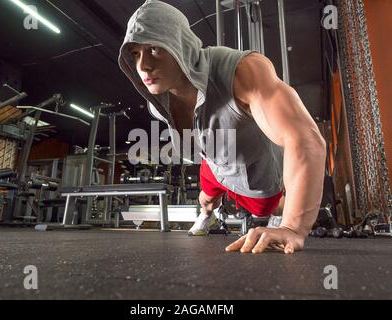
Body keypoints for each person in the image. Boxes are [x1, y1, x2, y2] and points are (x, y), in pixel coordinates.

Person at [118, 0, 326, 254]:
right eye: (136, 54)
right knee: (205, 200)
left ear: (180, 45)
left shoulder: (243, 72)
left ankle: (283, 213)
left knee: (266, 207)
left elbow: (306, 139)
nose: (143, 66)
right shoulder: (157, 104)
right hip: (215, 164)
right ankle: (210, 216)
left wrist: (293, 227)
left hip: (254, 173)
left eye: (154, 49)